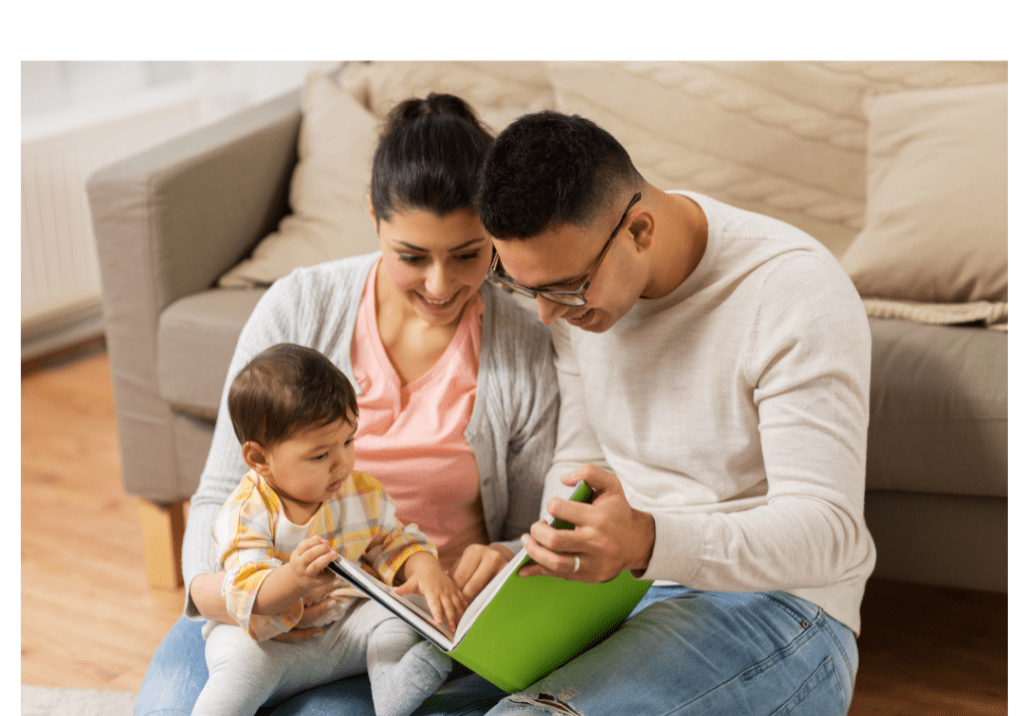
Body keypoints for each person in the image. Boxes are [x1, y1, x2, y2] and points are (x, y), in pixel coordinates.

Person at [133, 94, 558, 716]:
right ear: (373, 217)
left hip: (401, 625)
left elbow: (528, 528)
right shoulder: (299, 305)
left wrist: (498, 557)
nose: (441, 286)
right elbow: (220, 490)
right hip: (253, 608)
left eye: (468, 254)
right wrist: (231, 600)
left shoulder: (524, 344)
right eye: (412, 256)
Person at [470, 110, 877, 715]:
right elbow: (584, 457)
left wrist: (648, 541)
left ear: (639, 230)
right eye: (522, 286)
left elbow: (829, 533)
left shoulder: (792, 292)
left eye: (564, 288)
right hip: (621, 589)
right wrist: (552, 549)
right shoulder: (575, 298)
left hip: (780, 607)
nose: (547, 316)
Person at [192, 343, 466, 716]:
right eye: (320, 455)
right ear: (260, 459)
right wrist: (294, 578)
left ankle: (393, 691)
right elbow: (247, 592)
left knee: (400, 611)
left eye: (349, 441)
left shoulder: (360, 492)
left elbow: (392, 541)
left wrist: (426, 569)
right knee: (237, 671)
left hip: (340, 629)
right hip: (267, 642)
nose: (342, 464)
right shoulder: (247, 511)